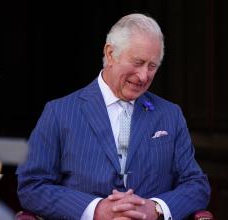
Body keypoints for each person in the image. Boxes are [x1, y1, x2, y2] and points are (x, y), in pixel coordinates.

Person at [16, 13, 210, 220]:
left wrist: (155, 208)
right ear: (110, 54)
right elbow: (32, 185)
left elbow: (196, 184)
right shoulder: (59, 112)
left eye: (152, 66)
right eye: (137, 62)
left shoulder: (170, 114)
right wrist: (96, 209)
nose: (144, 76)